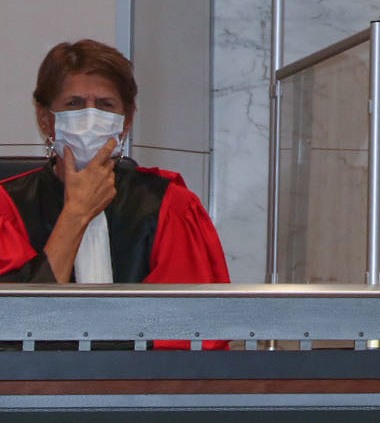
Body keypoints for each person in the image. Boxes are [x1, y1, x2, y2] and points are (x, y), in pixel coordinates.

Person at [0, 40, 228, 286]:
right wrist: (76, 215)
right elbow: (15, 307)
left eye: (105, 105)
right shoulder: (7, 208)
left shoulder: (170, 206)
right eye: (74, 104)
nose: (90, 117)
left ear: (126, 121)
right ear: (45, 118)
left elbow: (184, 308)